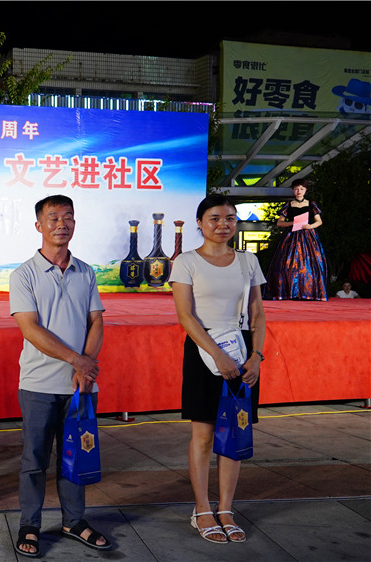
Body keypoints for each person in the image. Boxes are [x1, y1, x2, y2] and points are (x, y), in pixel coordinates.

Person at [9, 195, 110, 557]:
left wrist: (86, 366)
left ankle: (74, 521)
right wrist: (77, 360)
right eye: (53, 218)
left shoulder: (86, 271)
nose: (61, 224)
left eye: (68, 217)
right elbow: (30, 329)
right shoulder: (24, 274)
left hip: (80, 385)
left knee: (76, 455)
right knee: (34, 461)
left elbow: (96, 321)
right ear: (39, 225)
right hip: (38, 384)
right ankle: (30, 524)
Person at [170, 194, 266, 545]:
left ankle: (226, 509)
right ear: (199, 222)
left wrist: (256, 356)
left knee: (234, 433)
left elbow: (257, 312)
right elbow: (185, 316)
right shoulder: (186, 262)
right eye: (214, 218)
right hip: (203, 350)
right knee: (204, 435)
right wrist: (217, 356)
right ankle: (202, 509)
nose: (223, 225)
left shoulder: (248, 261)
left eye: (230, 218)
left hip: (241, 350)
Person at [264, 179, 328, 301]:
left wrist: (310, 226)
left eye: (301, 189)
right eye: (296, 189)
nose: (299, 191)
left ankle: (309, 292)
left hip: (308, 236)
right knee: (287, 264)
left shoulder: (311, 204)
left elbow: (319, 221)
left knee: (309, 264)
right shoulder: (288, 205)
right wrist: (293, 223)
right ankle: (288, 292)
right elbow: (279, 223)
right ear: (293, 190)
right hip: (291, 237)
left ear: (306, 190)